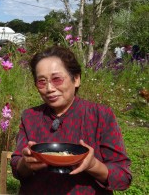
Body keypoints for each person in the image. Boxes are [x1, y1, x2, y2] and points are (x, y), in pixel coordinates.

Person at [10, 46, 131, 194]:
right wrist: (26, 163)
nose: (49, 88)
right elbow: (17, 168)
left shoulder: (100, 115)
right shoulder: (30, 116)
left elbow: (123, 177)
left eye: (57, 79)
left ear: (76, 79)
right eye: (42, 82)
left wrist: (93, 165)